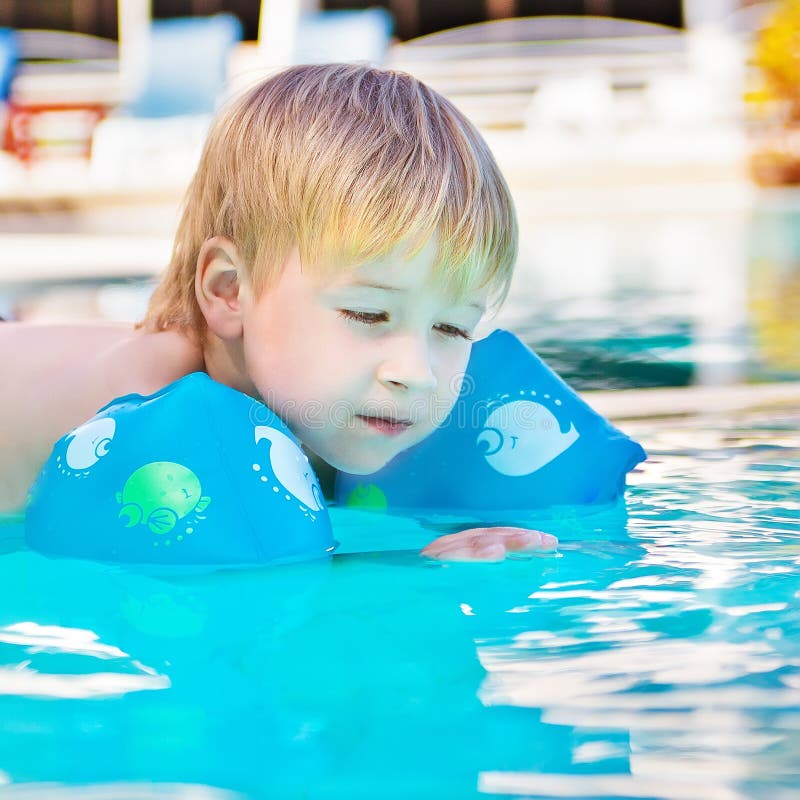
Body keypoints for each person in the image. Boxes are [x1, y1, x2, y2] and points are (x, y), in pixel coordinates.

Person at [0, 63, 557, 561]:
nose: (416, 372)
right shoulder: (153, 412)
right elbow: (234, 595)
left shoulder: (324, 400)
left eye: (451, 327)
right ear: (229, 291)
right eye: (368, 314)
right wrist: (413, 572)